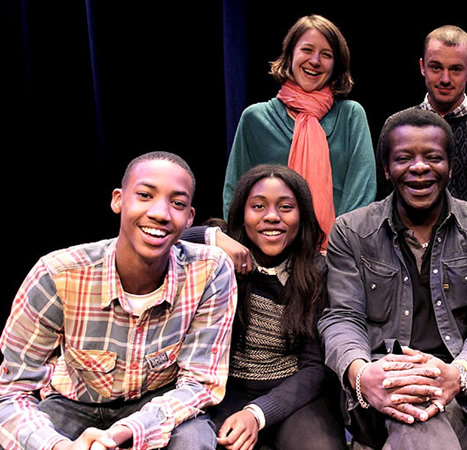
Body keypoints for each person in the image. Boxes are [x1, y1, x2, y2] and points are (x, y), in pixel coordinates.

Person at [0, 152, 237, 450]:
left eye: (177, 203)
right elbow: (12, 393)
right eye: (144, 195)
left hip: (160, 401)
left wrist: (128, 430)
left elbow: (199, 383)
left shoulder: (210, 270)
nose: (161, 213)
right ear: (118, 200)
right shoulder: (57, 274)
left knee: (193, 441)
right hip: (73, 403)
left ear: (189, 217)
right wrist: (59, 446)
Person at [318, 108, 467, 449]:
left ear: (450, 168)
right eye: (404, 158)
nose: (419, 167)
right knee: (409, 406)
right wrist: (362, 373)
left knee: (419, 418)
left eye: (433, 157)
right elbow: (341, 318)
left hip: (457, 384)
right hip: (378, 384)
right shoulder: (351, 231)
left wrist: (460, 373)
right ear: (386, 169)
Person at [183, 165, 345, 450]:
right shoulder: (218, 260)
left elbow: (315, 368)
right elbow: (166, 238)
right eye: (258, 206)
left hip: (295, 394)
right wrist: (213, 237)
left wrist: (257, 414)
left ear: (302, 216)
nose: (272, 217)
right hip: (225, 393)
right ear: (242, 215)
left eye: (285, 207)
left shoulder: (318, 272)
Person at [223, 14, 376, 238]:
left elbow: (362, 193)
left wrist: (338, 249)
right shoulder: (255, 118)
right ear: (290, 54)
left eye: (326, 55)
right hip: (269, 251)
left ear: (336, 65)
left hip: (337, 253)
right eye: (307, 50)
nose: (315, 61)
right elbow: (235, 194)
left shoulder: (351, 116)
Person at [378, 25, 467, 219]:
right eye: (436, 67)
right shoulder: (396, 127)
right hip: (404, 244)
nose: (445, 79)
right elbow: (383, 199)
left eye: (455, 69)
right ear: (422, 67)